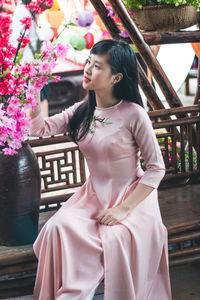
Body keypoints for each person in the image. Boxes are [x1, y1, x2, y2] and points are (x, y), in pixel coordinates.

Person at [29, 39, 172, 300]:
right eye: (88, 62)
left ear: (116, 77)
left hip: (132, 198)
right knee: (56, 227)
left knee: (113, 236)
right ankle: (75, 292)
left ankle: (82, 291)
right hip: (93, 196)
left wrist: (122, 209)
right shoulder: (81, 111)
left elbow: (156, 169)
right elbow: (38, 129)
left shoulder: (134, 114)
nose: (87, 69)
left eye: (96, 66)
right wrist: (34, 89)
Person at [12, 0, 49, 117]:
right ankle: (43, 128)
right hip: (36, 59)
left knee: (30, 97)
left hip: (26, 62)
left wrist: (16, 63)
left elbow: (22, 39)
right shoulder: (30, 9)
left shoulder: (21, 10)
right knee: (41, 95)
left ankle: (35, 130)